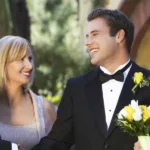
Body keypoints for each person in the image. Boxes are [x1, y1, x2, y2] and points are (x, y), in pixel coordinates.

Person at [31, 8, 150, 150]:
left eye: (95, 34)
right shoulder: (76, 87)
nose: (87, 42)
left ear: (119, 36)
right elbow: (57, 141)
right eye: (87, 36)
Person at [0, 35, 57, 150]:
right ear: (3, 63)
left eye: (30, 59)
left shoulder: (45, 108)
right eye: (21, 59)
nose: (29, 66)